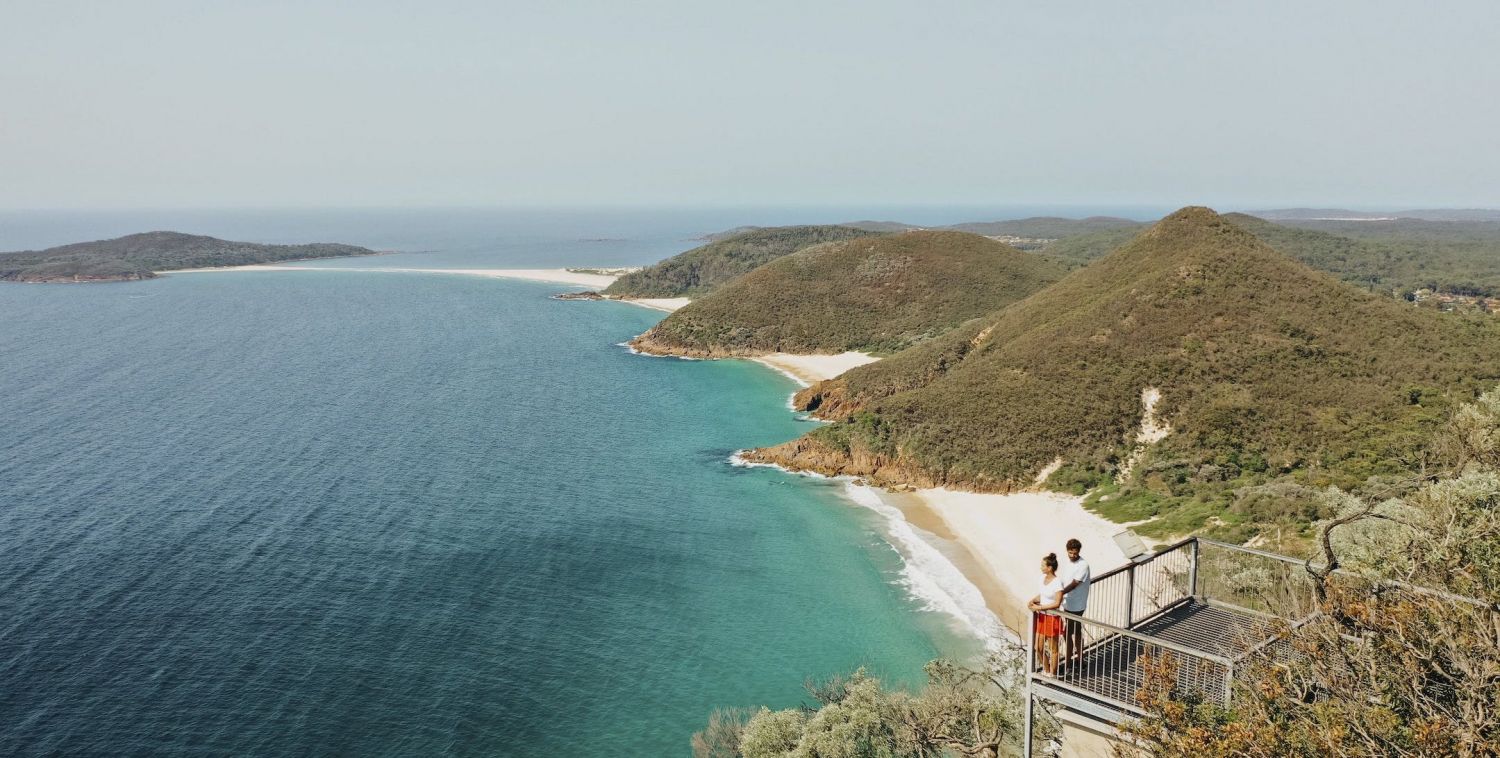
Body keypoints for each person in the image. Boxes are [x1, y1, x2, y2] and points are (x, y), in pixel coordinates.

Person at [1026, 552, 1065, 676]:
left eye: (1043, 565)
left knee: (1053, 649)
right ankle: (1046, 669)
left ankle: (1052, 673)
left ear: (1050, 568)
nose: (1041, 567)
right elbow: (1042, 595)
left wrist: (1040, 607)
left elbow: (1057, 603)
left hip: (1052, 617)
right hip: (1042, 617)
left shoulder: (1057, 582)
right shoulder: (1041, 578)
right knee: (1038, 647)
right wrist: (1033, 600)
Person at [1060, 537, 1091, 674]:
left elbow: (1074, 583)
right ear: (1067, 551)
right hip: (1068, 602)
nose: (1073, 556)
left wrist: (1060, 593)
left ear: (1079, 552)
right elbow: (1065, 580)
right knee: (1076, 632)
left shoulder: (1083, 565)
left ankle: (1068, 664)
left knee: (1068, 633)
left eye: (1075, 553)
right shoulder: (1068, 563)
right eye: (1070, 553)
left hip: (1077, 604)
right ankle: (1080, 661)